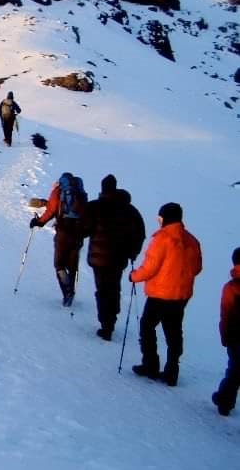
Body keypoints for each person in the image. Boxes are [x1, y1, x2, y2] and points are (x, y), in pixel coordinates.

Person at [130, 202, 202, 386]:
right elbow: (197, 268)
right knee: (174, 332)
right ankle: (172, 372)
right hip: (181, 295)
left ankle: (150, 365)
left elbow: (150, 268)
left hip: (160, 294)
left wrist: (134, 276)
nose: (158, 220)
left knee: (147, 326)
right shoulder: (192, 240)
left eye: (160, 217)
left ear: (166, 218)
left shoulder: (162, 239)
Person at [81, 175, 146, 341]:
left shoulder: (95, 207)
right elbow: (140, 233)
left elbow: (84, 229)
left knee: (102, 290)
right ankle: (112, 318)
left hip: (99, 258)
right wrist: (133, 252)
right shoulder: (129, 209)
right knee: (114, 287)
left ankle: (106, 325)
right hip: (119, 258)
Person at [30, 172, 86, 306]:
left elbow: (51, 210)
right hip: (78, 233)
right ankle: (71, 291)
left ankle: (67, 293)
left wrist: (39, 222)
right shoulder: (80, 192)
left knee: (59, 264)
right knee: (73, 266)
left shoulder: (58, 190)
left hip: (63, 232)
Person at [212, 247, 240, 416]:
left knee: (235, 371)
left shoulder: (232, 287)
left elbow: (226, 314)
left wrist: (224, 336)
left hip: (237, 336)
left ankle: (224, 401)